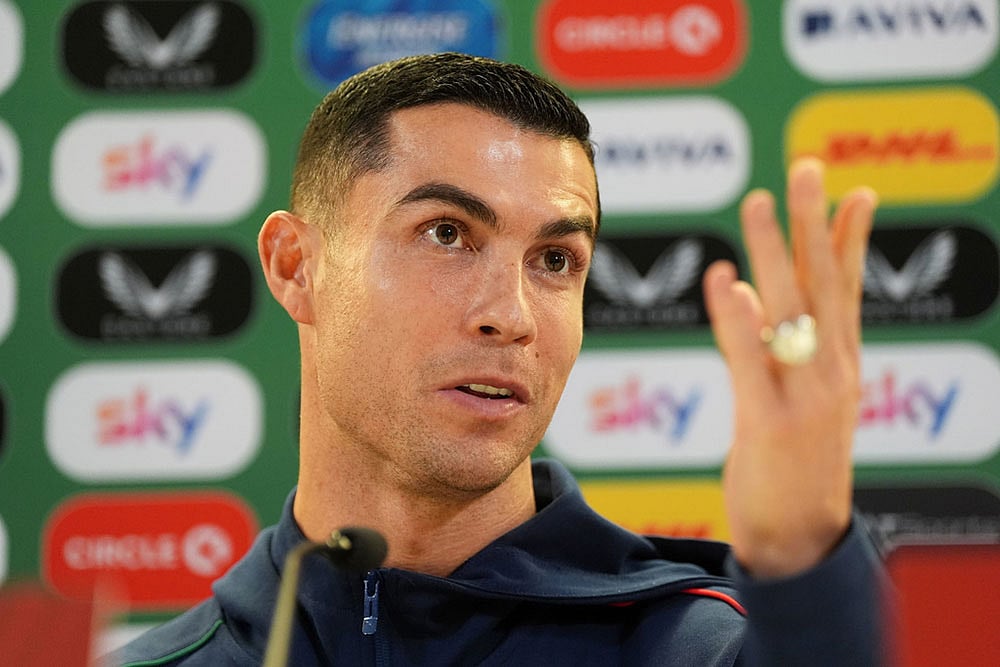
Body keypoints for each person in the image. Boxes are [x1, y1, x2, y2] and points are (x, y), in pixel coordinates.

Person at [108, 52, 886, 665]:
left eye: (555, 259)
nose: (510, 317)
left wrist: (804, 560)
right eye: (446, 233)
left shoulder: (705, 648)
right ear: (294, 265)